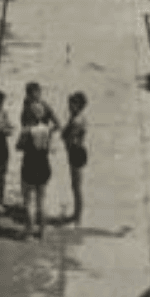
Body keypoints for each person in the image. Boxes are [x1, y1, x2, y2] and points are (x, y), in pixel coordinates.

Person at [61, 91, 88, 225]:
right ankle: (76, 214)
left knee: (77, 187)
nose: (69, 106)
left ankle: (77, 216)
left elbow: (69, 137)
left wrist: (64, 135)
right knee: (75, 186)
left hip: (76, 153)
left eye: (71, 104)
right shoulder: (76, 117)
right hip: (75, 151)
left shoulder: (77, 120)